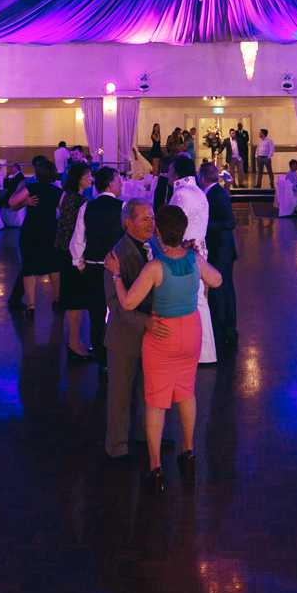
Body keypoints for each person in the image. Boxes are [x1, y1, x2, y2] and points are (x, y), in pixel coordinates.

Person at [109, 204, 222, 493]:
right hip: (191, 333)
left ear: (159, 232)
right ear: (183, 231)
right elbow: (217, 280)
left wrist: (116, 276)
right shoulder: (194, 258)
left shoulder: (156, 266)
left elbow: (128, 303)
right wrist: (194, 255)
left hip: (162, 335)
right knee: (186, 393)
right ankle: (188, 451)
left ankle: (156, 468)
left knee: (156, 402)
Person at [102, 199, 168, 468]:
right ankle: (117, 446)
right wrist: (145, 323)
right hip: (124, 337)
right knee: (120, 394)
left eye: (153, 217)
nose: (152, 223)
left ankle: (145, 434)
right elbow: (115, 305)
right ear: (129, 223)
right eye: (145, 219)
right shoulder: (116, 256)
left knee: (149, 389)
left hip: (151, 334)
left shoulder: (154, 244)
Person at [166, 156, 217, 363]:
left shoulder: (181, 194)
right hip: (199, 251)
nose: (167, 175)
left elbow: (173, 227)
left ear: (177, 174)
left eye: (170, 171)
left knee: (188, 301)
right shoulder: (198, 191)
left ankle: (197, 351)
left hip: (185, 253)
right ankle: (204, 352)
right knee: (199, 300)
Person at [77, 166, 122, 365]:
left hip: (93, 267)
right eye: (119, 181)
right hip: (116, 269)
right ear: (111, 184)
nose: (121, 184)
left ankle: (102, 360)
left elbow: (78, 241)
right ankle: (118, 356)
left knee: (96, 315)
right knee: (119, 313)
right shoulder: (123, 207)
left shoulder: (87, 207)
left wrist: (80, 263)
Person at [55, 162, 96, 360]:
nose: (91, 179)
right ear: (78, 178)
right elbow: (77, 232)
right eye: (87, 176)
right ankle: (74, 344)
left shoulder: (70, 197)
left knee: (74, 301)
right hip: (72, 254)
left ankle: (75, 341)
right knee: (76, 301)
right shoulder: (77, 200)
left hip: (66, 252)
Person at [12, 159, 61, 316]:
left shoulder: (31, 188)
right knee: (53, 266)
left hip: (30, 230)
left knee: (29, 267)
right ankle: (58, 299)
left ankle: (31, 305)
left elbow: (12, 202)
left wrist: (25, 202)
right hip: (50, 230)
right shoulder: (57, 191)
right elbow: (64, 211)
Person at [200, 161, 238, 347]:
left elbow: (230, 222)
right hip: (223, 248)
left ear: (202, 179)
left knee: (220, 293)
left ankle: (220, 334)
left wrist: (205, 225)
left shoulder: (217, 194)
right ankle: (228, 331)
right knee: (225, 291)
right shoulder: (215, 192)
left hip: (222, 248)